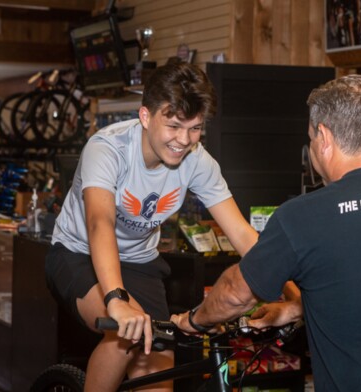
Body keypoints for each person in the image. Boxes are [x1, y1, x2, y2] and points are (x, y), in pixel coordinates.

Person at [171, 74, 361, 391]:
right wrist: (299, 308)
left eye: (310, 138)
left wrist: (193, 321)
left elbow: (234, 295)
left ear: (323, 138)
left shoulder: (305, 214)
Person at [45, 62, 259, 392]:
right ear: (145, 116)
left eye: (195, 128)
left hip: (140, 263)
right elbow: (100, 222)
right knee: (123, 332)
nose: (183, 140)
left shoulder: (197, 161)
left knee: (157, 368)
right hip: (79, 253)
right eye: (173, 126)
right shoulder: (108, 149)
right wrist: (116, 298)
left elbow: (243, 234)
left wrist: (294, 294)